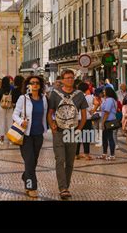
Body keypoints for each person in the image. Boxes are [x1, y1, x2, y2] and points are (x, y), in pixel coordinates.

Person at [47, 69, 87, 200]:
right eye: (67, 78)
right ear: (62, 80)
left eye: (71, 77)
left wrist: (79, 129)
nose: (70, 80)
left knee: (70, 161)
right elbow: (50, 112)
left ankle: (66, 187)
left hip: (73, 131)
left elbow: (84, 115)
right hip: (58, 131)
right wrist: (52, 126)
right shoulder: (55, 94)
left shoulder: (80, 95)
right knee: (60, 159)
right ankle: (62, 188)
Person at [12, 75, 48, 198]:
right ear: (28, 85)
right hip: (26, 135)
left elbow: (45, 115)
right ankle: (31, 187)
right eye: (32, 83)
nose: (35, 85)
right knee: (29, 161)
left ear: (40, 85)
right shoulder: (24, 99)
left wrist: (48, 128)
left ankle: (26, 175)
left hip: (39, 134)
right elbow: (15, 114)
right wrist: (22, 122)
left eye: (37, 82)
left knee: (34, 161)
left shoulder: (44, 99)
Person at [98, 87, 118, 160]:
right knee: (104, 137)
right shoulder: (107, 99)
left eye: (104, 91)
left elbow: (107, 112)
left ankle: (112, 155)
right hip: (106, 120)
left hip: (109, 120)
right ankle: (104, 154)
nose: (103, 92)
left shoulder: (110, 100)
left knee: (110, 137)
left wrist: (103, 122)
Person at [75, 82, 94, 160]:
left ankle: (76, 154)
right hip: (87, 119)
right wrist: (92, 112)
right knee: (86, 137)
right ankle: (86, 154)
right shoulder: (90, 97)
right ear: (87, 89)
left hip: (77, 119)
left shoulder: (75, 97)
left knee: (77, 137)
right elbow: (94, 106)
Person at [0, 76, 15, 145]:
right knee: (10, 122)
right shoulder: (12, 88)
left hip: (2, 107)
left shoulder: (0, 89)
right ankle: (10, 140)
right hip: (10, 107)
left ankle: (1, 140)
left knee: (1, 122)